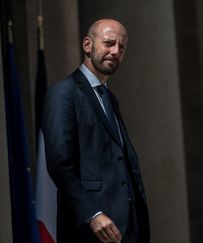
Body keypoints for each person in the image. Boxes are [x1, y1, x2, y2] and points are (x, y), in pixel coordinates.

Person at [41, 19, 150, 243]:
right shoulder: (63, 93)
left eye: (122, 47)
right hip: (90, 230)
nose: (116, 51)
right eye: (109, 43)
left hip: (127, 230)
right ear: (88, 45)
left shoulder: (110, 98)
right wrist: (93, 214)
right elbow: (59, 163)